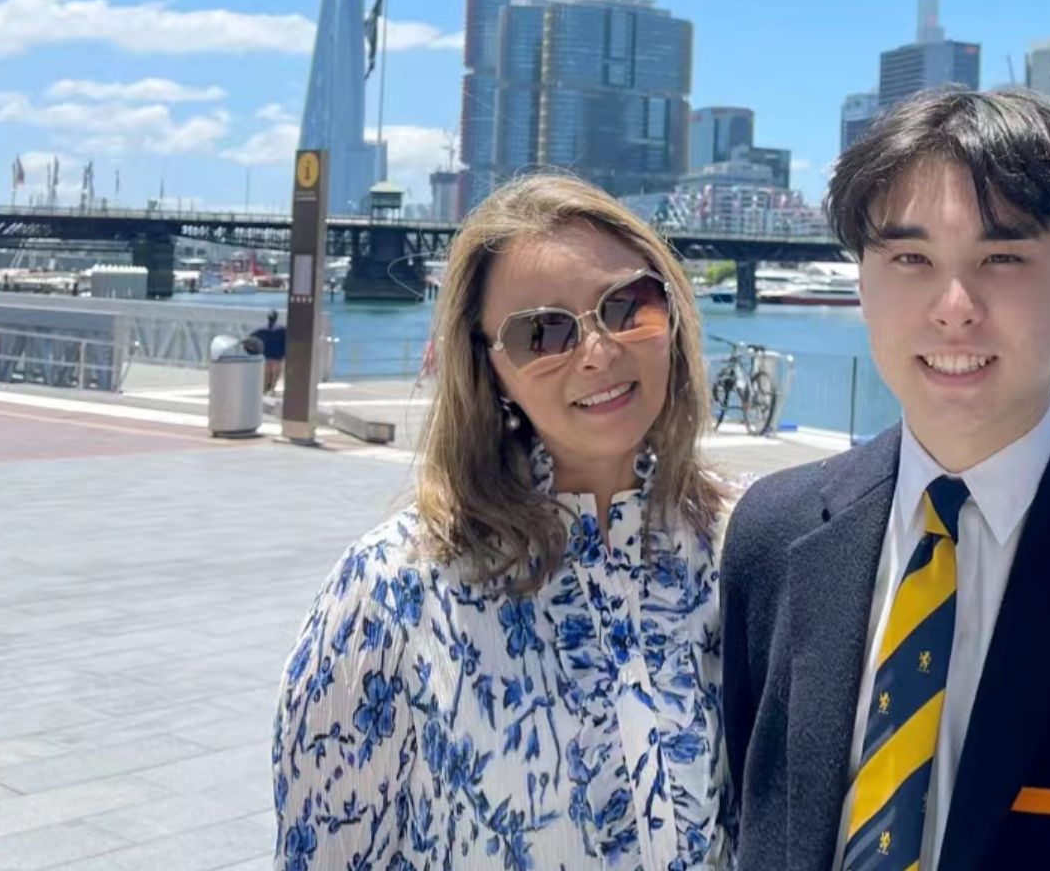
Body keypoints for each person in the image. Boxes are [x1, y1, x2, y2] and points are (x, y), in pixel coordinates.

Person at [722, 88, 1050, 871]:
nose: (954, 309)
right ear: (862, 280)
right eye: (910, 259)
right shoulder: (771, 534)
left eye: (1002, 257)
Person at [272, 174, 734, 869]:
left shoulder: (749, 545)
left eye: (627, 305)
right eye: (542, 332)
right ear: (489, 368)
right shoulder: (391, 591)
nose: (598, 351)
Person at [251, 309, 287, 394]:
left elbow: (251, 338)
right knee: (274, 376)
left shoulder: (261, 330)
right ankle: (271, 391)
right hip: (277, 357)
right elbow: (287, 342)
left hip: (265, 356)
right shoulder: (282, 330)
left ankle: (264, 393)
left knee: (266, 377)